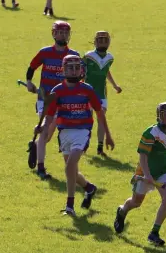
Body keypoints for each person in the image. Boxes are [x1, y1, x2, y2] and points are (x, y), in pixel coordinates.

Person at [35, 55, 115, 216]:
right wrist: (42, 126)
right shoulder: (57, 91)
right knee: (71, 170)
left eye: (76, 67)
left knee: (70, 165)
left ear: (81, 70)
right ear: (63, 70)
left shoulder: (87, 89)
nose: (73, 70)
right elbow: (50, 116)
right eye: (70, 67)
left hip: (82, 131)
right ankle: (89, 188)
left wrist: (108, 135)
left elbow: (100, 113)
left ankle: (70, 205)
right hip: (64, 132)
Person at [114, 102, 166, 246]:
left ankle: (154, 232)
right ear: (159, 116)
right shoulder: (151, 133)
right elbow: (143, 157)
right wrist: (148, 176)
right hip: (145, 171)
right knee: (136, 202)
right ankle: (122, 211)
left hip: (164, 171)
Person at [26, 20, 80, 180]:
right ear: (54, 34)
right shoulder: (44, 52)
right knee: (44, 131)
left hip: (63, 101)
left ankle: (35, 146)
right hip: (45, 98)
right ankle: (41, 168)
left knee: (48, 135)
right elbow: (31, 67)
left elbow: (79, 79)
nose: (63, 35)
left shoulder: (74, 56)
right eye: (60, 32)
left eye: (66, 33)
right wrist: (29, 82)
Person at [82, 31, 122, 157]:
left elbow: (106, 71)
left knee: (101, 119)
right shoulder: (88, 56)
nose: (103, 42)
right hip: (87, 92)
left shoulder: (110, 58)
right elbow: (81, 72)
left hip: (101, 93)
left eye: (105, 40)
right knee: (87, 119)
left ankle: (99, 147)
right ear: (94, 41)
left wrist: (114, 85)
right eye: (100, 40)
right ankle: (84, 143)